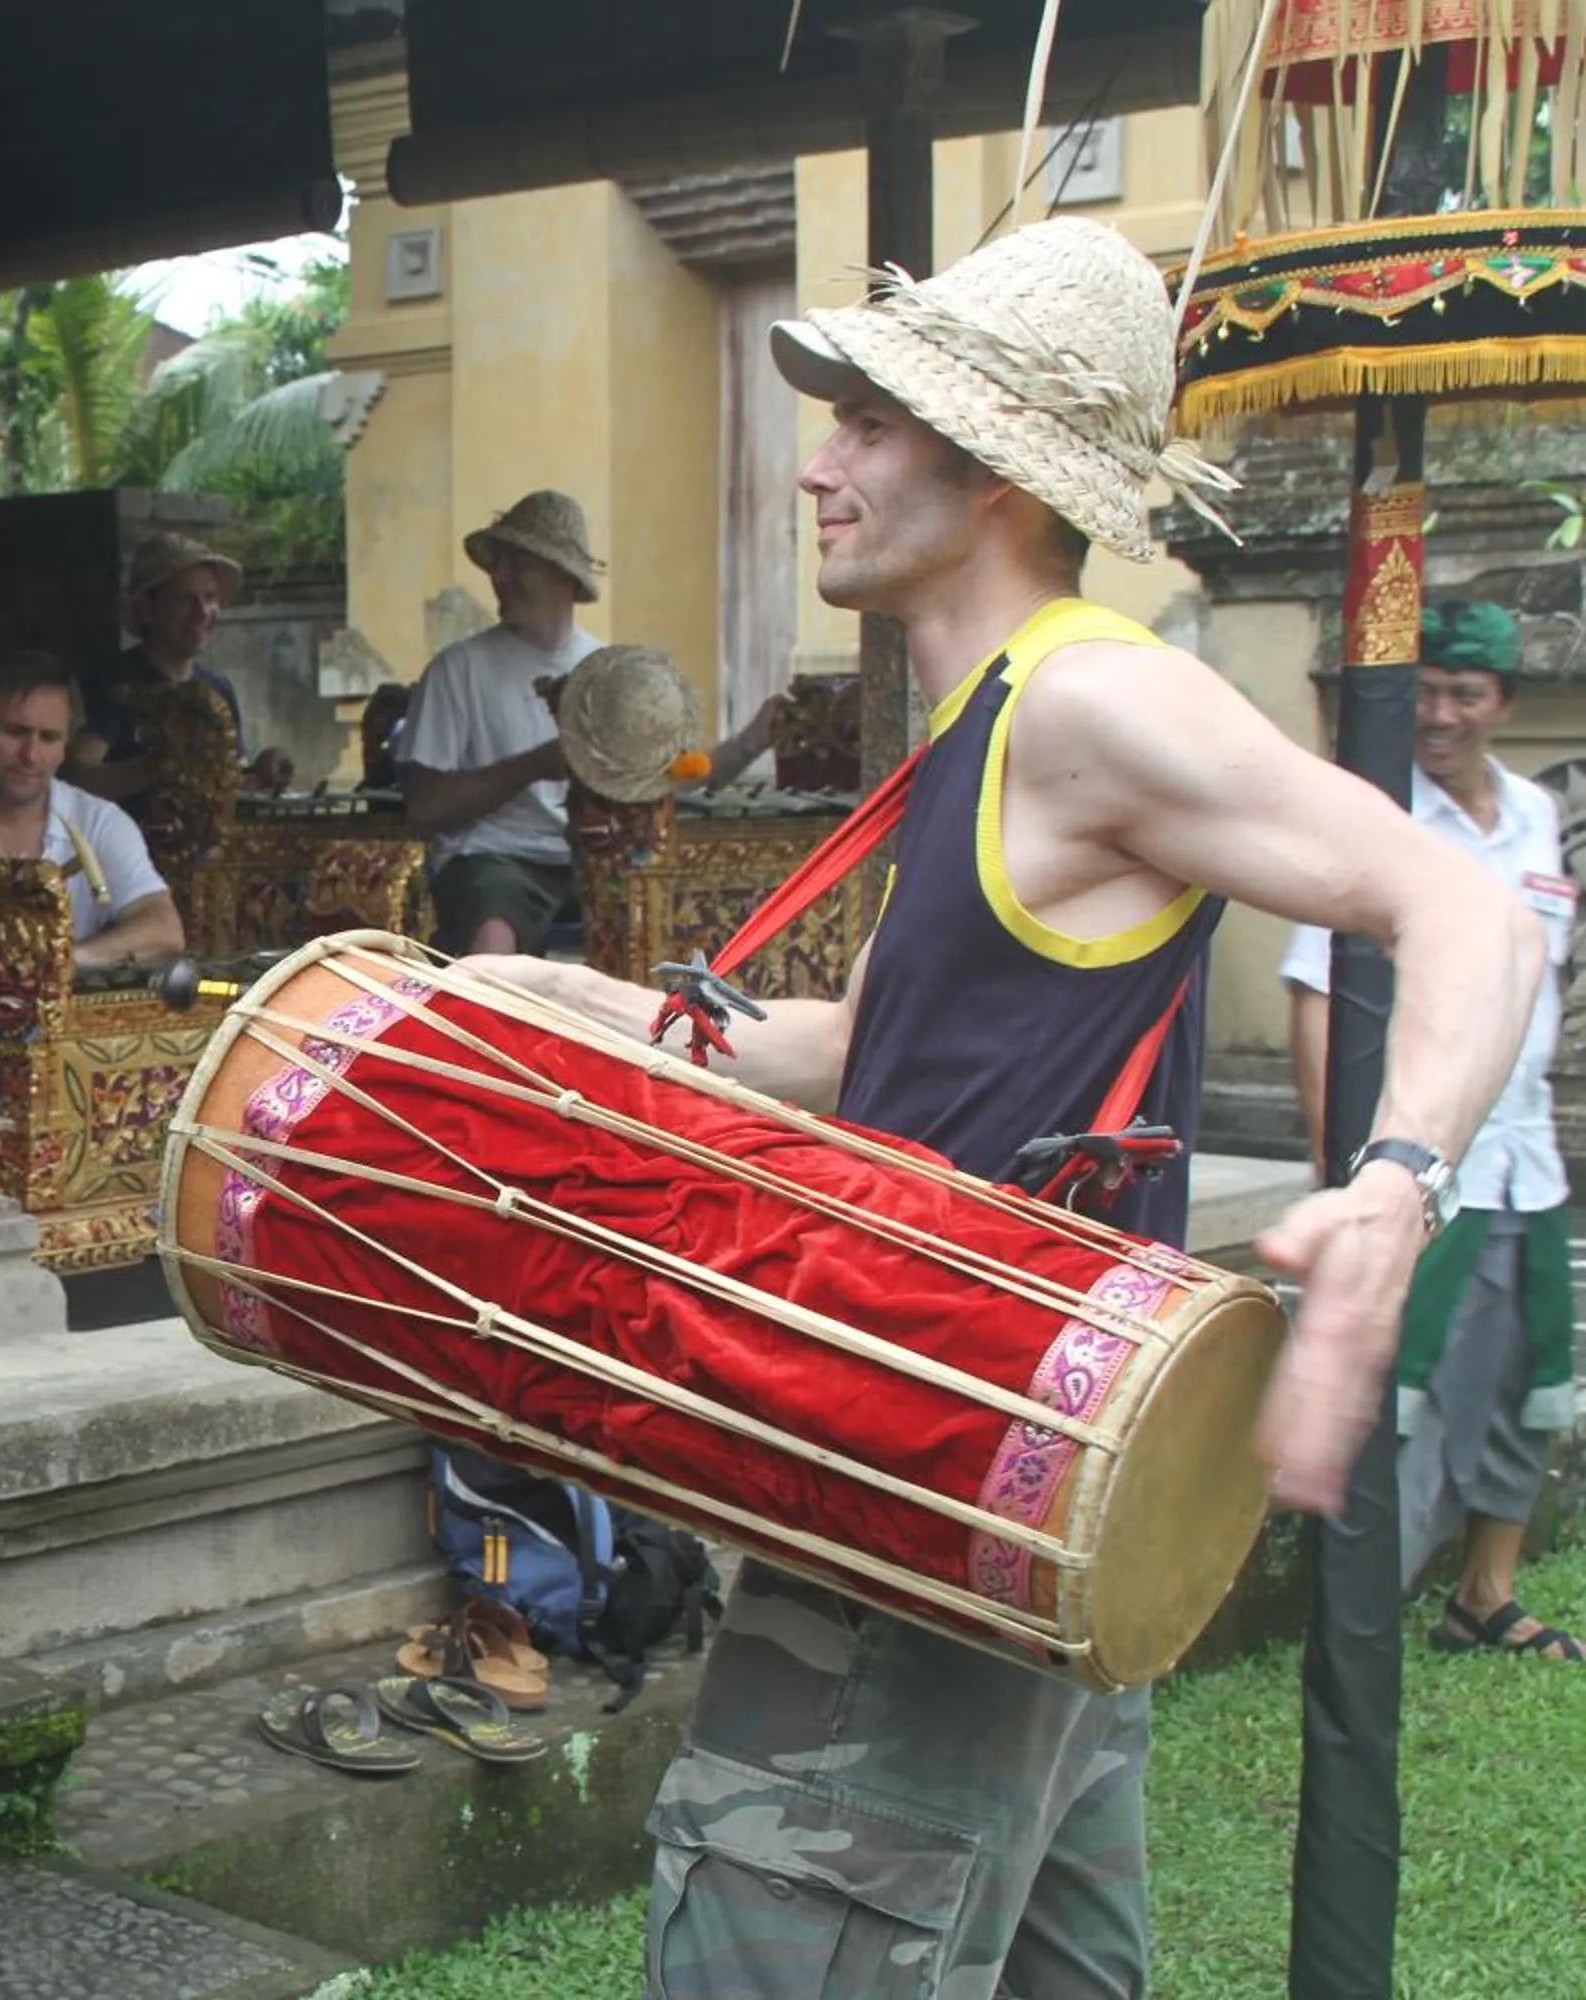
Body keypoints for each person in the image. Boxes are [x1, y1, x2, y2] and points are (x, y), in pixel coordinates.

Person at [469, 218, 1537, 1996]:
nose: (819, 466)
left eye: (869, 426)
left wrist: (1397, 1184)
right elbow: (885, 1049)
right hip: (1016, 1489)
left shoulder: (1094, 699)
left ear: (993, 473)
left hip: (936, 1470)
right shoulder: (993, 721)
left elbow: (1466, 908)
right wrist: (592, 1016)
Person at [1282, 600, 1579, 1662]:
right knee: (1395, 1387)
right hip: (1414, 1160)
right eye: (1426, 691)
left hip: (1527, 1155)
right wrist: (1340, 1159)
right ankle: (1353, 1609)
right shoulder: (1376, 818)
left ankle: (1485, 1594)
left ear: (1506, 701)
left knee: (1535, 1374)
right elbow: (1316, 992)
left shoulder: (1537, 816)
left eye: (1466, 693)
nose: (1441, 714)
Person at [398, 490, 607, 953]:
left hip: (591, 857)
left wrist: (749, 742)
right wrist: (533, 765)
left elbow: (663, 778)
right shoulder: (459, 669)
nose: (499, 578)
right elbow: (424, 806)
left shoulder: (606, 670)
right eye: (499, 564)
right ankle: (482, 1003)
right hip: (495, 856)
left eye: (518, 564)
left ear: (562, 575)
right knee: (495, 918)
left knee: (661, 907)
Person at [0, 650, 182, 975]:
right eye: (14, 732)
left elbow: (164, 931)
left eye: (49, 738)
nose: (30, 755)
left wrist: (60, 962)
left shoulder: (98, 821)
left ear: (66, 746)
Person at [69, 532, 280, 803]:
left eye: (210, 598)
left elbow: (232, 775)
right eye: (187, 599)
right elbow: (78, 777)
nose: (203, 612)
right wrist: (159, 767)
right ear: (147, 609)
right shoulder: (111, 682)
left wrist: (257, 777)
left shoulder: (218, 687)